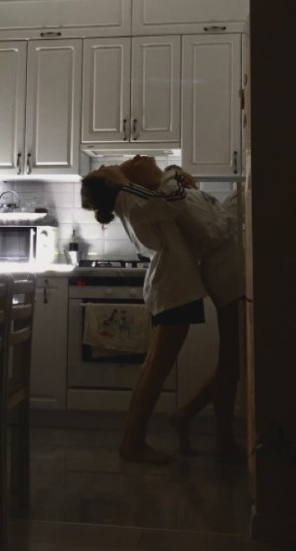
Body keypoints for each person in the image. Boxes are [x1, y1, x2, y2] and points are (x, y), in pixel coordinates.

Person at [81, 155, 245, 464]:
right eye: (105, 168)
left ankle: (133, 440)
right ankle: (133, 443)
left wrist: (175, 178)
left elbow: (174, 202)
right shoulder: (131, 196)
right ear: (112, 181)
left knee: (153, 368)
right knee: (156, 369)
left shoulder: (133, 197)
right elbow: (172, 200)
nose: (135, 157)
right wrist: (173, 172)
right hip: (174, 288)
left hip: (173, 286)